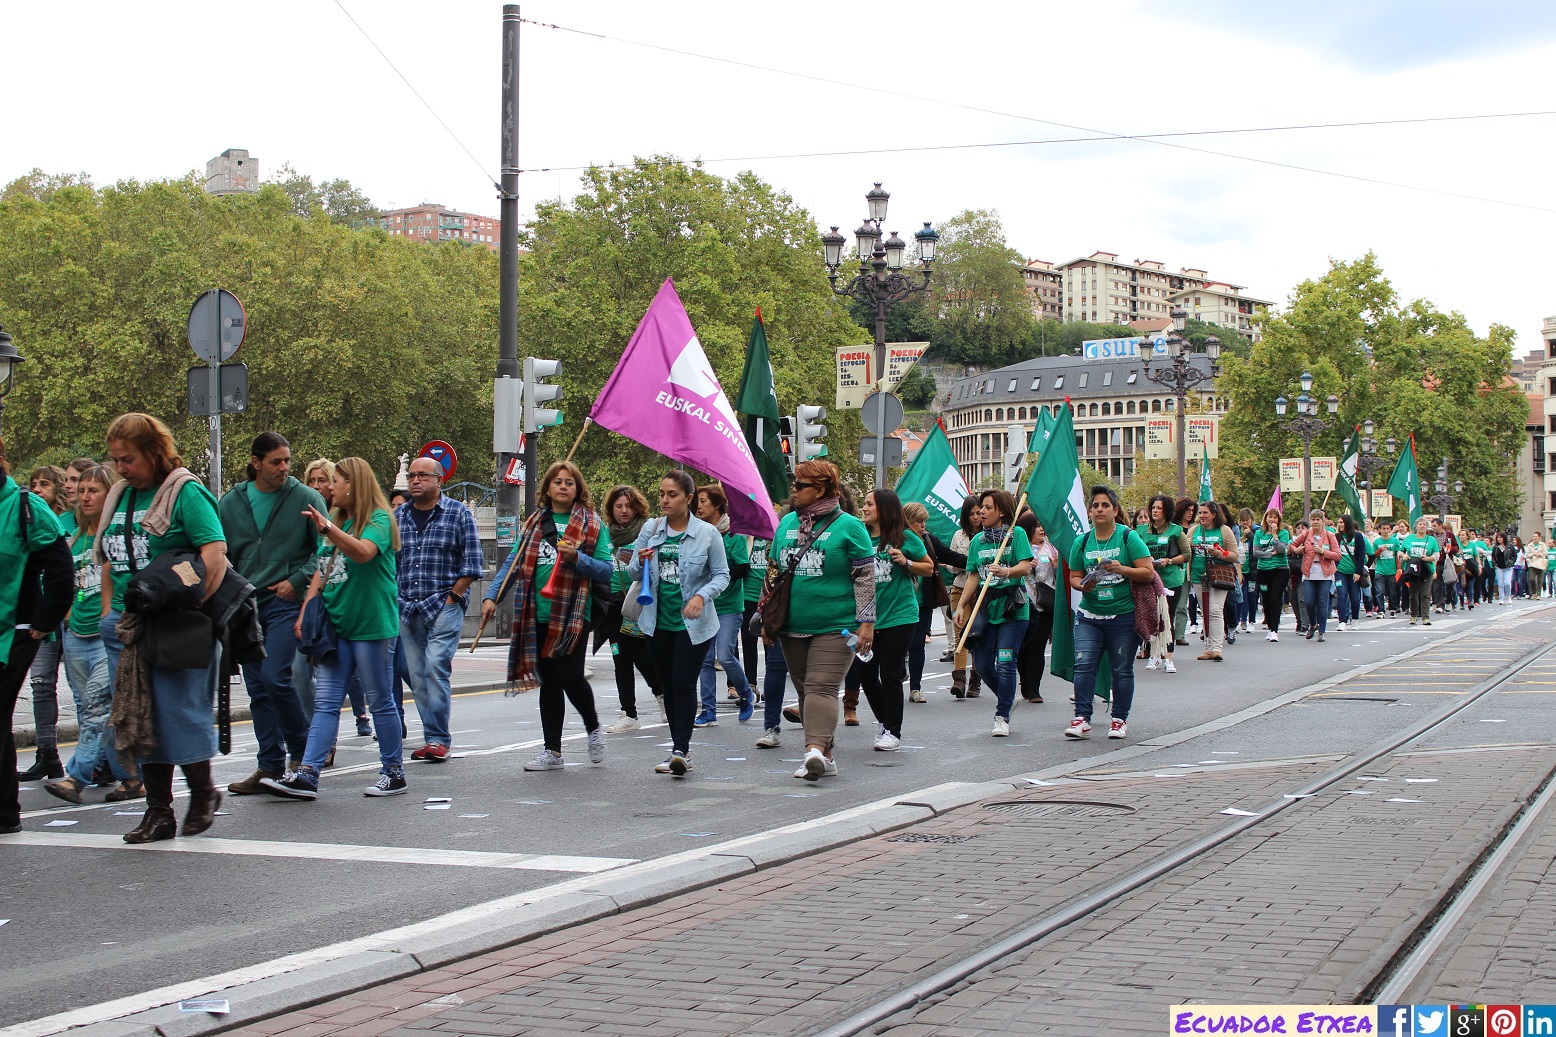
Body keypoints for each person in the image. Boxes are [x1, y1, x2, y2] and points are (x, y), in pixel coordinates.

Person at [97, 413, 229, 841]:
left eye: (128, 459)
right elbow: (109, 558)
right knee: (142, 716)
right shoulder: (121, 494)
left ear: (154, 452)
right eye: (116, 460)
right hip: (132, 625)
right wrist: (109, 612)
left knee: (179, 712)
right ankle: (159, 812)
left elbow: (214, 553)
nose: (121, 468)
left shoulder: (185, 491)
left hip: (177, 624)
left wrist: (193, 605)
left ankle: (203, 793)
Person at [266, 457, 405, 799]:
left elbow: (363, 553)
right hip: (336, 626)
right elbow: (321, 568)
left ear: (353, 485)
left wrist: (328, 528)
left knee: (380, 700)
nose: (330, 487)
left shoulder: (378, 519)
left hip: (372, 625)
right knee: (326, 703)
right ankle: (308, 773)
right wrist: (306, 610)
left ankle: (393, 772)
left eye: (336, 481)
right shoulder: (338, 520)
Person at [217, 432, 328, 795]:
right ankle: (269, 765)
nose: (284, 468)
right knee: (257, 689)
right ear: (256, 463)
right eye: (276, 461)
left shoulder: (306, 498)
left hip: (285, 603)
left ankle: (301, 754)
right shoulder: (230, 503)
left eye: (287, 461)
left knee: (276, 677)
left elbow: (326, 550)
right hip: (245, 606)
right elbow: (217, 550)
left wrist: (296, 580)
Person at [484, 461, 613, 772]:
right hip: (537, 614)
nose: (563, 487)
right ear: (548, 488)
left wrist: (576, 557)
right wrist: (492, 596)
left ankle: (593, 727)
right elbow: (513, 563)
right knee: (550, 681)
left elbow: (606, 570)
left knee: (570, 675)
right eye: (558, 482)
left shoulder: (593, 524)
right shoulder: (534, 523)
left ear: (577, 488)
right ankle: (552, 751)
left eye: (569, 482)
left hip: (574, 615)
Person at [757, 460, 872, 779]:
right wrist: (766, 617)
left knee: (821, 687)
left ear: (820, 490)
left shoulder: (850, 526)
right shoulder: (786, 523)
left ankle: (813, 752)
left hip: (837, 626)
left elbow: (865, 577)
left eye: (800, 485)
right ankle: (827, 756)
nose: (793, 490)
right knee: (806, 691)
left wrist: (867, 622)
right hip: (791, 625)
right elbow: (773, 572)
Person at [45, 464, 142, 803]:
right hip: (75, 634)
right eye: (82, 490)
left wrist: (105, 619)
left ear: (109, 494)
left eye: (93, 491)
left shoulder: (115, 535)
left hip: (105, 636)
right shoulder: (73, 536)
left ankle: (77, 776)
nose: (84, 497)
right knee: (96, 708)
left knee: (97, 706)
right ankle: (132, 777)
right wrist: (68, 617)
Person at [631, 470, 729, 776]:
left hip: (694, 624)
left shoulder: (707, 534)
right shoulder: (651, 529)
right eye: (661, 494)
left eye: (672, 495)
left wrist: (701, 596)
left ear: (688, 498)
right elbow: (632, 571)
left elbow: (722, 575)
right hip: (655, 621)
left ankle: (680, 750)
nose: (664, 500)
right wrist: (641, 560)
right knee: (669, 686)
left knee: (684, 682)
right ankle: (679, 748)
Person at [0, 443, 73, 832]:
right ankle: (5, 812)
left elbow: (61, 571)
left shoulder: (25, 506)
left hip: (14, 631)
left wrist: (43, 621)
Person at [396, 456, 484, 762]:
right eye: (411, 476)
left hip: (443, 604)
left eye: (423, 475)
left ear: (439, 480)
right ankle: (433, 737)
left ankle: (438, 739)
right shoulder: (398, 516)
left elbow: (473, 563)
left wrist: (454, 595)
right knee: (417, 676)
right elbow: (390, 561)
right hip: (407, 606)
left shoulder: (458, 513)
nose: (415, 481)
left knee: (435, 666)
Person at [1065, 484, 1154, 739]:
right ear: (1090, 512)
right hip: (1089, 615)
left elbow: (1148, 572)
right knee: (1083, 665)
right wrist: (1083, 586)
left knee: (1121, 669)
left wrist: (1122, 569)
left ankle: (1119, 720)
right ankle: (1082, 718)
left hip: (1123, 615)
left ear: (1115, 510)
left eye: (1105, 505)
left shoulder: (1128, 537)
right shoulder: (1082, 541)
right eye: (1095, 506)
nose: (1099, 509)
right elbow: (1074, 577)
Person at [856, 489, 931, 751]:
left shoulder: (905, 537)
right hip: (867, 618)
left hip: (900, 616)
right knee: (865, 674)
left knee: (889, 674)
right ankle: (883, 721)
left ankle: (892, 731)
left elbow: (929, 568)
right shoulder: (860, 535)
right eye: (864, 504)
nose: (864, 508)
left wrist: (906, 561)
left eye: (869, 504)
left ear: (884, 509)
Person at [955, 489, 1034, 737]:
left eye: (988, 508)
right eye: (982, 508)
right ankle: (1008, 697)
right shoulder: (978, 541)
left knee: (1006, 662)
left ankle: (1002, 716)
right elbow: (973, 576)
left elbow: (1025, 566)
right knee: (982, 664)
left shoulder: (1016, 534)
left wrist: (1006, 572)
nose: (982, 512)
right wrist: (961, 605)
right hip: (986, 608)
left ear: (1001, 511)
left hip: (1013, 608)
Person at [17, 464, 71, 781]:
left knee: (84, 689)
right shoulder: (24, 517)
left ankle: (101, 759)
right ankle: (47, 753)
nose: (37, 489)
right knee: (41, 684)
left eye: (45, 484)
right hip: (41, 617)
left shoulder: (68, 521)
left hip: (71, 615)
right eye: (34, 483)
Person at [596, 484, 658, 733]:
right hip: (612, 604)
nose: (624, 511)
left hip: (637, 601)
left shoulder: (647, 530)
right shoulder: (605, 533)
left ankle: (662, 695)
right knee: (620, 658)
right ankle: (629, 714)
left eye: (629, 506)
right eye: (618, 506)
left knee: (643, 657)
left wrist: (636, 559)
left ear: (637, 507)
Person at [694, 484, 754, 726]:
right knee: (705, 660)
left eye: (703, 501)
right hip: (705, 605)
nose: (698, 506)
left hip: (729, 605)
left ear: (717, 504)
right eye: (697, 502)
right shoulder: (696, 533)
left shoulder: (733, 534)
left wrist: (717, 572)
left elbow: (743, 569)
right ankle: (708, 711)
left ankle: (746, 693)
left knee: (726, 657)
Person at [1137, 494, 1188, 672]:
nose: (1155, 511)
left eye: (1159, 508)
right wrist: (1145, 560)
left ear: (1166, 510)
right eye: (1153, 507)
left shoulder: (1176, 530)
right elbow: (1133, 552)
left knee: (1167, 618)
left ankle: (1168, 657)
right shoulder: (1141, 531)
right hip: (1148, 580)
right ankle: (1153, 654)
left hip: (1171, 581)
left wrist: (1170, 560)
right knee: (1152, 618)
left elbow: (1187, 554)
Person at [1188, 500, 1240, 660]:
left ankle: (1217, 648)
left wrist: (1218, 553)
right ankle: (1208, 647)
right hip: (1198, 576)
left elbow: (1235, 555)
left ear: (1214, 515)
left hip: (1219, 575)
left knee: (1215, 610)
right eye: (1200, 513)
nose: (1202, 516)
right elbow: (1185, 555)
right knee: (1205, 612)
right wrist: (1187, 547)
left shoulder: (1224, 531)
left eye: (1205, 513)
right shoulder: (1193, 531)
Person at [1016, 511, 1059, 703]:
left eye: (1042, 525)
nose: (1041, 529)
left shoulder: (1051, 548)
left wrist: (1057, 566)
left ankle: (1034, 689)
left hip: (1044, 606)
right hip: (1023, 605)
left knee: (1037, 648)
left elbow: (1062, 575)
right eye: (1037, 525)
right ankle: (1025, 683)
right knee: (1022, 648)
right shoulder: (1019, 547)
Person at [903, 503, 941, 704]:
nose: (923, 525)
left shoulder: (927, 539)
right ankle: (900, 672)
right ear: (907, 521)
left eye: (924, 521)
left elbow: (944, 557)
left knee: (917, 645)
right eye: (919, 521)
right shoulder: (895, 540)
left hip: (921, 602)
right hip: (899, 602)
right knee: (899, 646)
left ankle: (915, 688)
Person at [944, 497, 980, 698]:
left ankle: (976, 680)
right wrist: (961, 563)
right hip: (960, 587)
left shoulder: (989, 536)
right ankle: (959, 679)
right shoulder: (958, 535)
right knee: (960, 632)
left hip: (982, 590)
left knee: (978, 635)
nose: (975, 517)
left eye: (978, 513)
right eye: (971, 514)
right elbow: (951, 564)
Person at [1289, 509, 1341, 643]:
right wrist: (1296, 550)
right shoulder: (1306, 534)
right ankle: (1313, 624)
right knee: (1309, 602)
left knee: (1322, 602)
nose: (1315, 522)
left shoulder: (1330, 535)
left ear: (1323, 521)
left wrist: (1323, 551)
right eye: (1313, 519)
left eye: (1318, 519)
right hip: (1309, 572)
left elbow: (1337, 555)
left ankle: (1321, 631)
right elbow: (1292, 545)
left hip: (1325, 573)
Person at [1251, 508, 1291, 641]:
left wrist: (1274, 535)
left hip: (1280, 569)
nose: (1272, 520)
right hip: (1263, 570)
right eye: (1270, 517)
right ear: (1266, 518)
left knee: (1275, 599)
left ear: (1278, 520)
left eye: (1275, 517)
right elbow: (1256, 552)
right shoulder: (1259, 533)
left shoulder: (1283, 533)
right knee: (1266, 600)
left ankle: (1274, 630)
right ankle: (1269, 626)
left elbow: (1281, 549)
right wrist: (1270, 554)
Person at [1396, 517, 1440, 625]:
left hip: (1426, 570)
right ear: (1416, 526)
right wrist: (1403, 556)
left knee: (1425, 594)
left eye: (1424, 524)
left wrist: (1427, 558)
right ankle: (1413, 615)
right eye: (1420, 524)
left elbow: (1436, 555)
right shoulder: (1409, 539)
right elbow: (1400, 551)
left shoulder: (1431, 539)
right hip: (1413, 570)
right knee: (1413, 594)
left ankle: (1425, 617)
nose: (1422, 526)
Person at [1334, 514, 1368, 632]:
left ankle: (1355, 619)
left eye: (1342, 522)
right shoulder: (1337, 537)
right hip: (1340, 572)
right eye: (1338, 522)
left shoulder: (1357, 536)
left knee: (1354, 597)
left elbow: (1361, 555)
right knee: (1342, 595)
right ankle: (1342, 621)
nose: (1340, 525)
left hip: (1354, 572)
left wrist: (1358, 572)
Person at [1172, 497, 1198, 642]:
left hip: (1190, 570)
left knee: (1182, 605)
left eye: (1193, 511)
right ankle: (1168, 634)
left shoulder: (1195, 528)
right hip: (1174, 568)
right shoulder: (1173, 527)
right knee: (1170, 604)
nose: (1190, 513)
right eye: (1187, 510)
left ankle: (1179, 635)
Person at [1492, 532, 1515, 605]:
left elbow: (1514, 555)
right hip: (1499, 567)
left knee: (1507, 583)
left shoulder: (1509, 545)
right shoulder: (1496, 547)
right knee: (1500, 584)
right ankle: (1501, 598)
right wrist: (1494, 564)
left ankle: (1508, 596)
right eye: (1498, 538)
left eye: (1500, 537)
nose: (1499, 539)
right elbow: (1493, 556)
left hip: (1508, 567)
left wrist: (1511, 562)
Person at [1528, 532, 1548, 600]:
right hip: (1532, 563)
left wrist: (1539, 554)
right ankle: (1534, 593)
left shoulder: (1542, 544)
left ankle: (1538, 594)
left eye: (1536, 536)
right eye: (1533, 536)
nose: (1534, 538)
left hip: (1540, 563)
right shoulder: (1530, 545)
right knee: (1532, 579)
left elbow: (1545, 553)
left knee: (1540, 579)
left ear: (1539, 537)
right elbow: (1527, 554)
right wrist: (1533, 554)